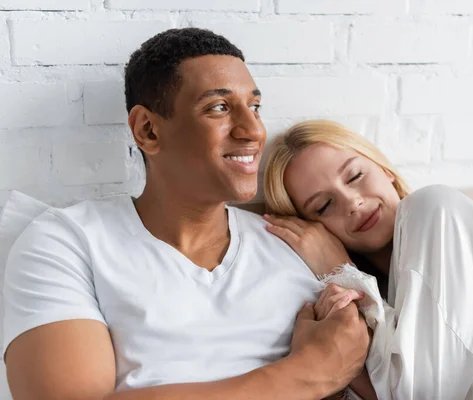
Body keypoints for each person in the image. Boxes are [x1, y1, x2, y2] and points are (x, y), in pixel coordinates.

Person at [2, 29, 372, 400]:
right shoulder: (67, 243)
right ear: (148, 131)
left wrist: (344, 272)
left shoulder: (298, 244)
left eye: (254, 107)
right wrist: (310, 372)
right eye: (219, 108)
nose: (253, 130)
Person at [263, 119, 473, 400]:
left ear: (385, 170)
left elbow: (418, 393)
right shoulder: (381, 302)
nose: (352, 202)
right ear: (312, 227)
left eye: (355, 176)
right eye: (324, 206)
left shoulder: (432, 209)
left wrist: (339, 269)